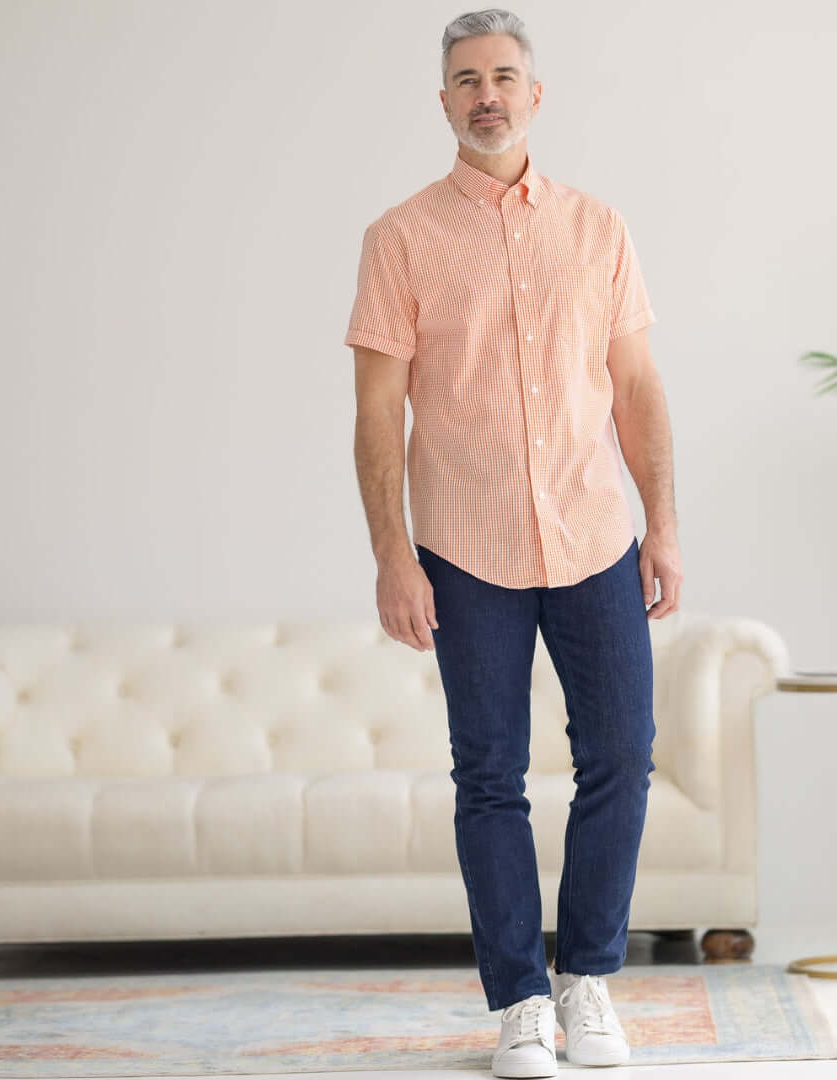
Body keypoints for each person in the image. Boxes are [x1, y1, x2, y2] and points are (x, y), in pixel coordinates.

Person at [344, 9, 682, 1077]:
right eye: (465, 78)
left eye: (503, 75)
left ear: (535, 95)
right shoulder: (399, 238)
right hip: (463, 546)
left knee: (621, 757)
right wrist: (391, 555)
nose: (485, 93)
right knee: (486, 775)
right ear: (441, 101)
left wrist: (663, 525)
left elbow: (636, 388)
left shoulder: (601, 229)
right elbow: (375, 412)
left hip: (594, 534)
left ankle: (586, 981)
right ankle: (520, 1003)